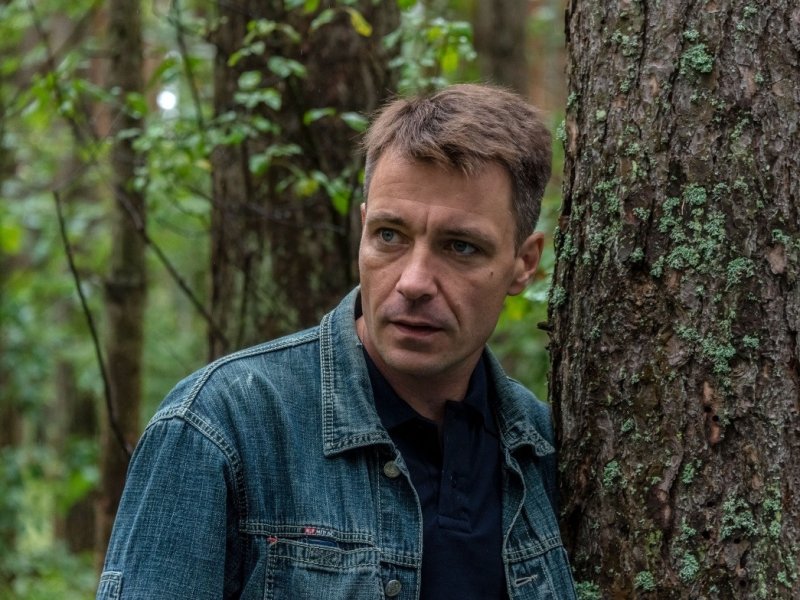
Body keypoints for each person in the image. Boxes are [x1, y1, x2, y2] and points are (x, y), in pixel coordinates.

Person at [97, 83, 577, 600]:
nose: (414, 282)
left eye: (460, 247)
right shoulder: (221, 426)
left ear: (523, 263)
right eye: (390, 235)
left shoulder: (544, 451)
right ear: (363, 227)